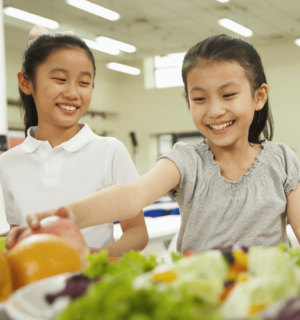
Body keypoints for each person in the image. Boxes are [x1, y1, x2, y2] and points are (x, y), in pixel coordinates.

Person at [7, 34, 300, 254]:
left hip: (271, 303)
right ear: (188, 102)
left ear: (258, 96)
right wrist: (70, 215)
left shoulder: (283, 160)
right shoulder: (185, 160)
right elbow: (133, 195)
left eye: (228, 95)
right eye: (199, 98)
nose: (214, 110)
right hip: (200, 302)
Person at [0, 25, 148, 256]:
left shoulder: (109, 151)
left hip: (91, 284)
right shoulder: (7, 163)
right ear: (26, 82)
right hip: (33, 284)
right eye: (60, 79)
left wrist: (98, 257)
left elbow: (137, 231)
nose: (73, 93)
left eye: (84, 83)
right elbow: (17, 234)